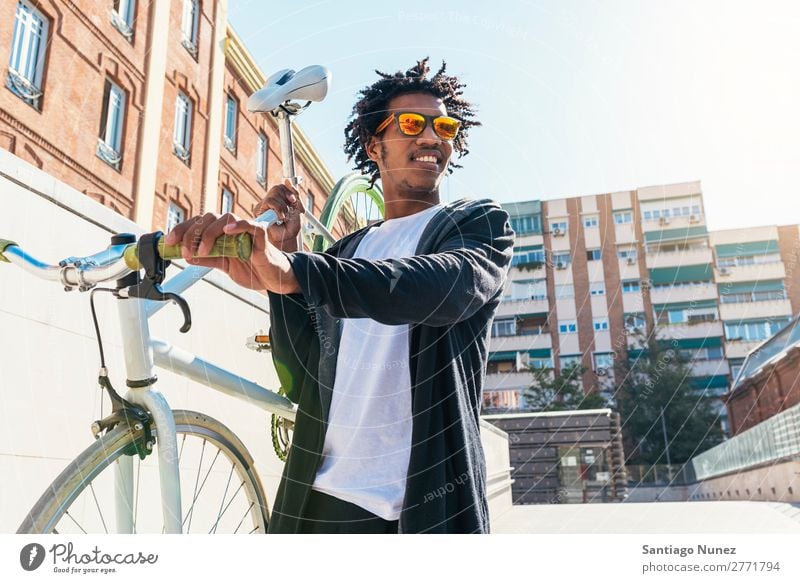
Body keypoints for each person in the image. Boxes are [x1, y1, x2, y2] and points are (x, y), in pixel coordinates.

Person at [164, 57, 515, 533]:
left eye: (444, 126)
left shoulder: (475, 225)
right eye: (411, 124)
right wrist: (284, 269)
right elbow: (305, 377)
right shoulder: (348, 251)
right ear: (374, 144)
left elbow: (438, 288)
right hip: (318, 503)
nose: (432, 138)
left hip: (417, 513)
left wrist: (298, 270)